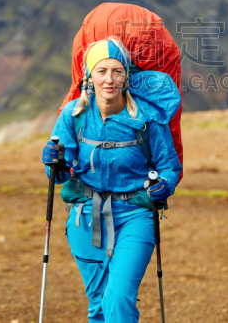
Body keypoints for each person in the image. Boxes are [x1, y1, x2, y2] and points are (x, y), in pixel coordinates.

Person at [42, 37, 182, 323]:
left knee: (118, 297)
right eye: (101, 71)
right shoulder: (74, 115)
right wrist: (52, 162)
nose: (109, 79)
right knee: (98, 305)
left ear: (126, 75)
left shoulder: (147, 119)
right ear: (89, 76)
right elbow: (58, 174)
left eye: (117, 71)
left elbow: (170, 167)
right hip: (85, 216)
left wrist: (164, 186)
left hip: (135, 215)